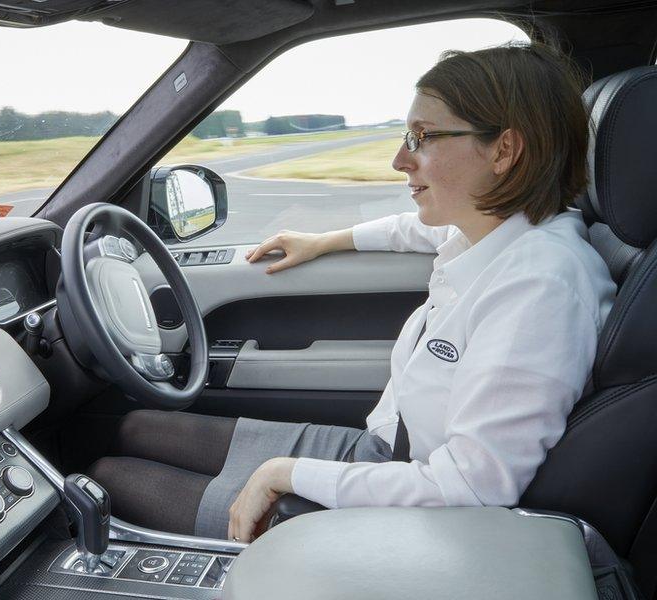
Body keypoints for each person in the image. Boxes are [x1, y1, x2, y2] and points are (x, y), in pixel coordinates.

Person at [88, 42, 617, 543]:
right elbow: (418, 229)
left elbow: (473, 487)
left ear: (504, 149)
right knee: (133, 427)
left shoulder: (540, 289)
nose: (399, 160)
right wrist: (324, 241)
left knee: (109, 476)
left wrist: (282, 475)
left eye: (422, 137)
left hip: (418, 508)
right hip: (384, 454)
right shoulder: (506, 229)